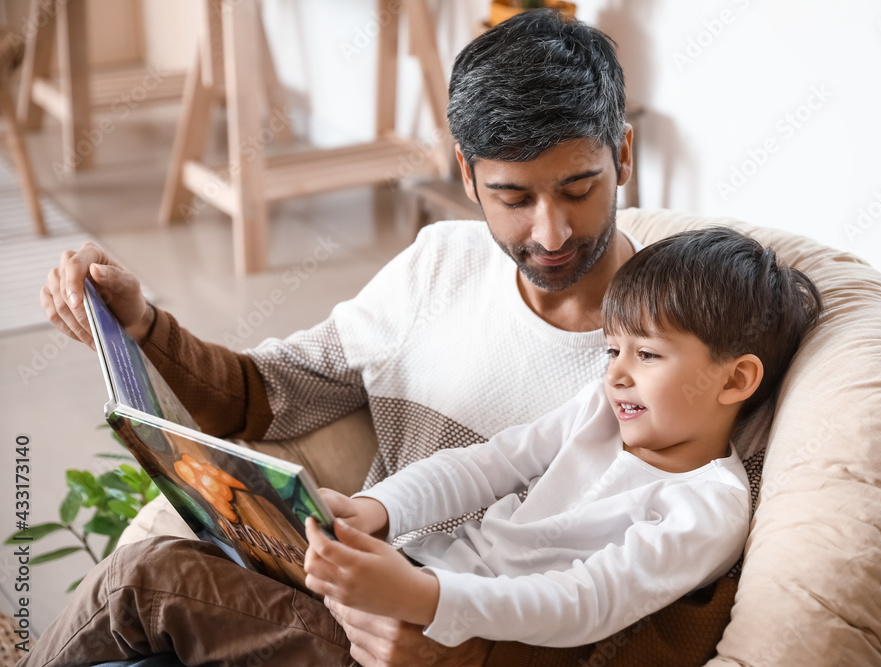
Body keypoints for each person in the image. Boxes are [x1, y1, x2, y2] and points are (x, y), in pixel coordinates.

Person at [22, 8, 735, 667]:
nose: (550, 233)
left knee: (141, 582)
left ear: (625, 155)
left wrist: (469, 654)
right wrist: (143, 324)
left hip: (431, 641)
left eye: (579, 188)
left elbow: (675, 625)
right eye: (515, 198)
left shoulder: (678, 357)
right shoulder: (439, 266)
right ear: (467, 174)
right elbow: (262, 395)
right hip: (351, 597)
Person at [302, 227, 822, 648]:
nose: (617, 375)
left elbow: (586, 602)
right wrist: (376, 508)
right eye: (612, 350)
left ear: (734, 380)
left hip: (460, 627)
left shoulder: (708, 508)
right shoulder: (602, 409)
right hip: (417, 569)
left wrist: (425, 597)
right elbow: (485, 465)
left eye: (647, 354)